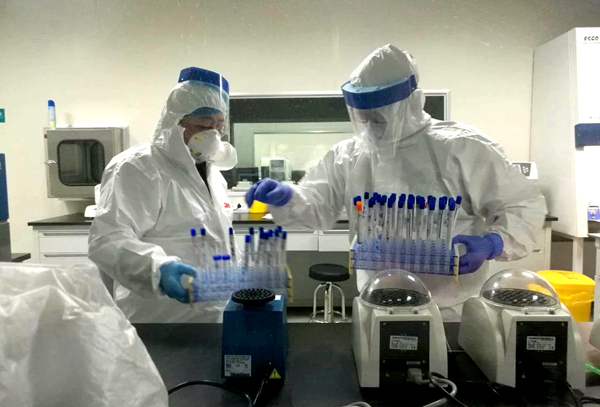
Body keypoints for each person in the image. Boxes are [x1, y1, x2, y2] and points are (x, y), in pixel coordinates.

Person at [245, 45, 546, 314]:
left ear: (411, 103)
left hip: (450, 308)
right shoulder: (349, 155)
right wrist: (288, 197)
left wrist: (493, 243)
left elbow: (524, 206)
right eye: (363, 116)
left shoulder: (461, 147)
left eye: (379, 115)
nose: (369, 124)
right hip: (375, 302)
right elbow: (319, 206)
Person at [89, 67, 238, 323]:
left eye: (219, 124)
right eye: (204, 124)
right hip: (160, 320)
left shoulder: (212, 173)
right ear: (175, 121)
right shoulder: (138, 167)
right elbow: (107, 240)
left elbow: (215, 237)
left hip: (213, 316)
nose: (213, 133)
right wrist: (158, 269)